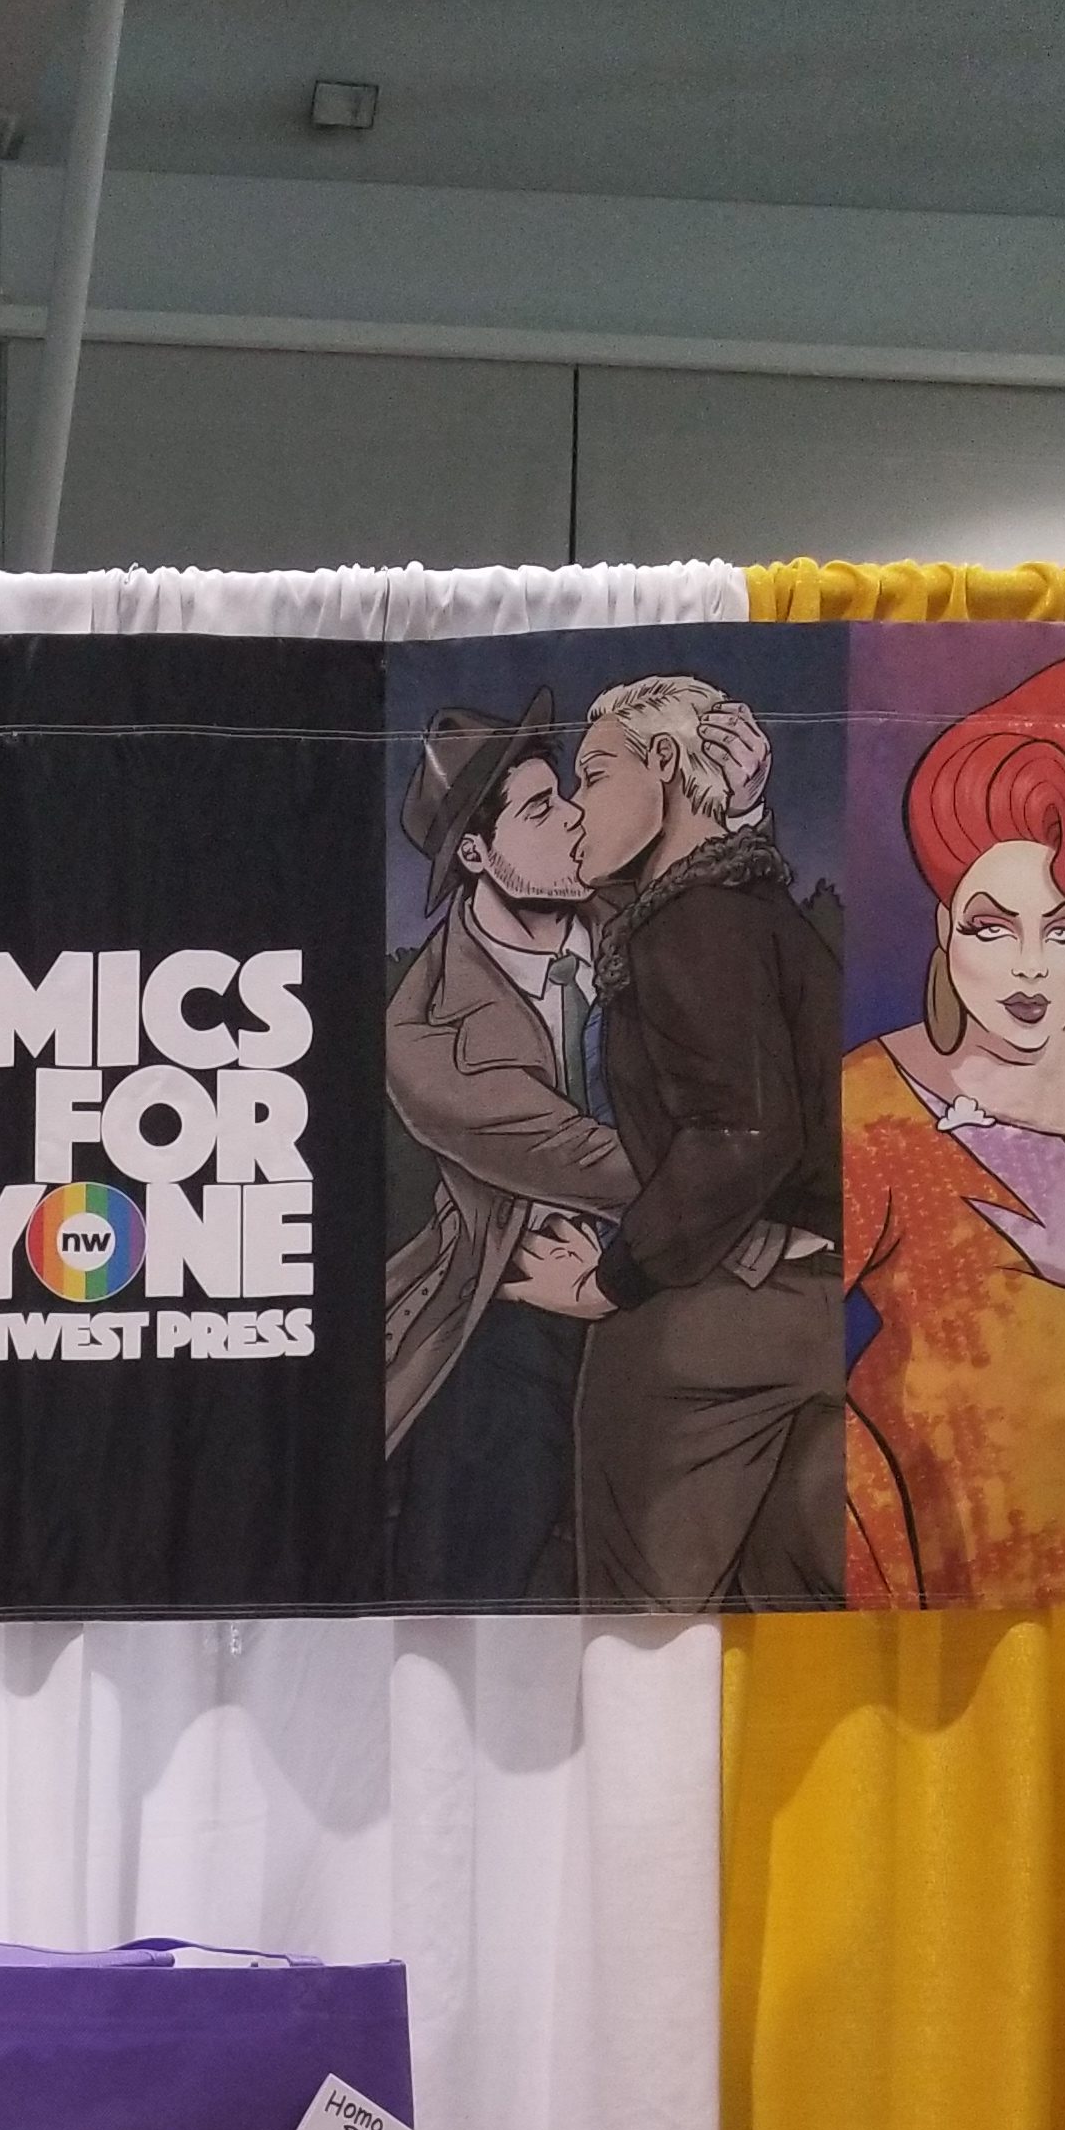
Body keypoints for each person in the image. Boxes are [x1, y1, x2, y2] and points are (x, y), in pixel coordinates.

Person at [840, 651, 1065, 1605]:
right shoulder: (876, 1101)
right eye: (990, 926)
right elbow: (769, 1336)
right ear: (943, 928)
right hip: (939, 1625)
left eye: (1063, 928)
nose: (1029, 966)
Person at [564, 672, 845, 1609]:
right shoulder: (747, 906)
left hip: (713, 1317)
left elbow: (743, 1131)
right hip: (822, 1306)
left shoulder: (686, 924)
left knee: (637, 1628)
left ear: (665, 763)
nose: (577, 806)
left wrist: (609, 1279)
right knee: (804, 1612)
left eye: (593, 775)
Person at [382, 696, 642, 1600]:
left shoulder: (652, 927)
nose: (572, 817)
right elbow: (575, 1158)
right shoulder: (421, 1031)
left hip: (683, 1271)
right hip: (512, 1293)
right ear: (475, 855)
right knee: (467, 1556)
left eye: (564, 794)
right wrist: (727, 1175)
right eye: (539, 809)